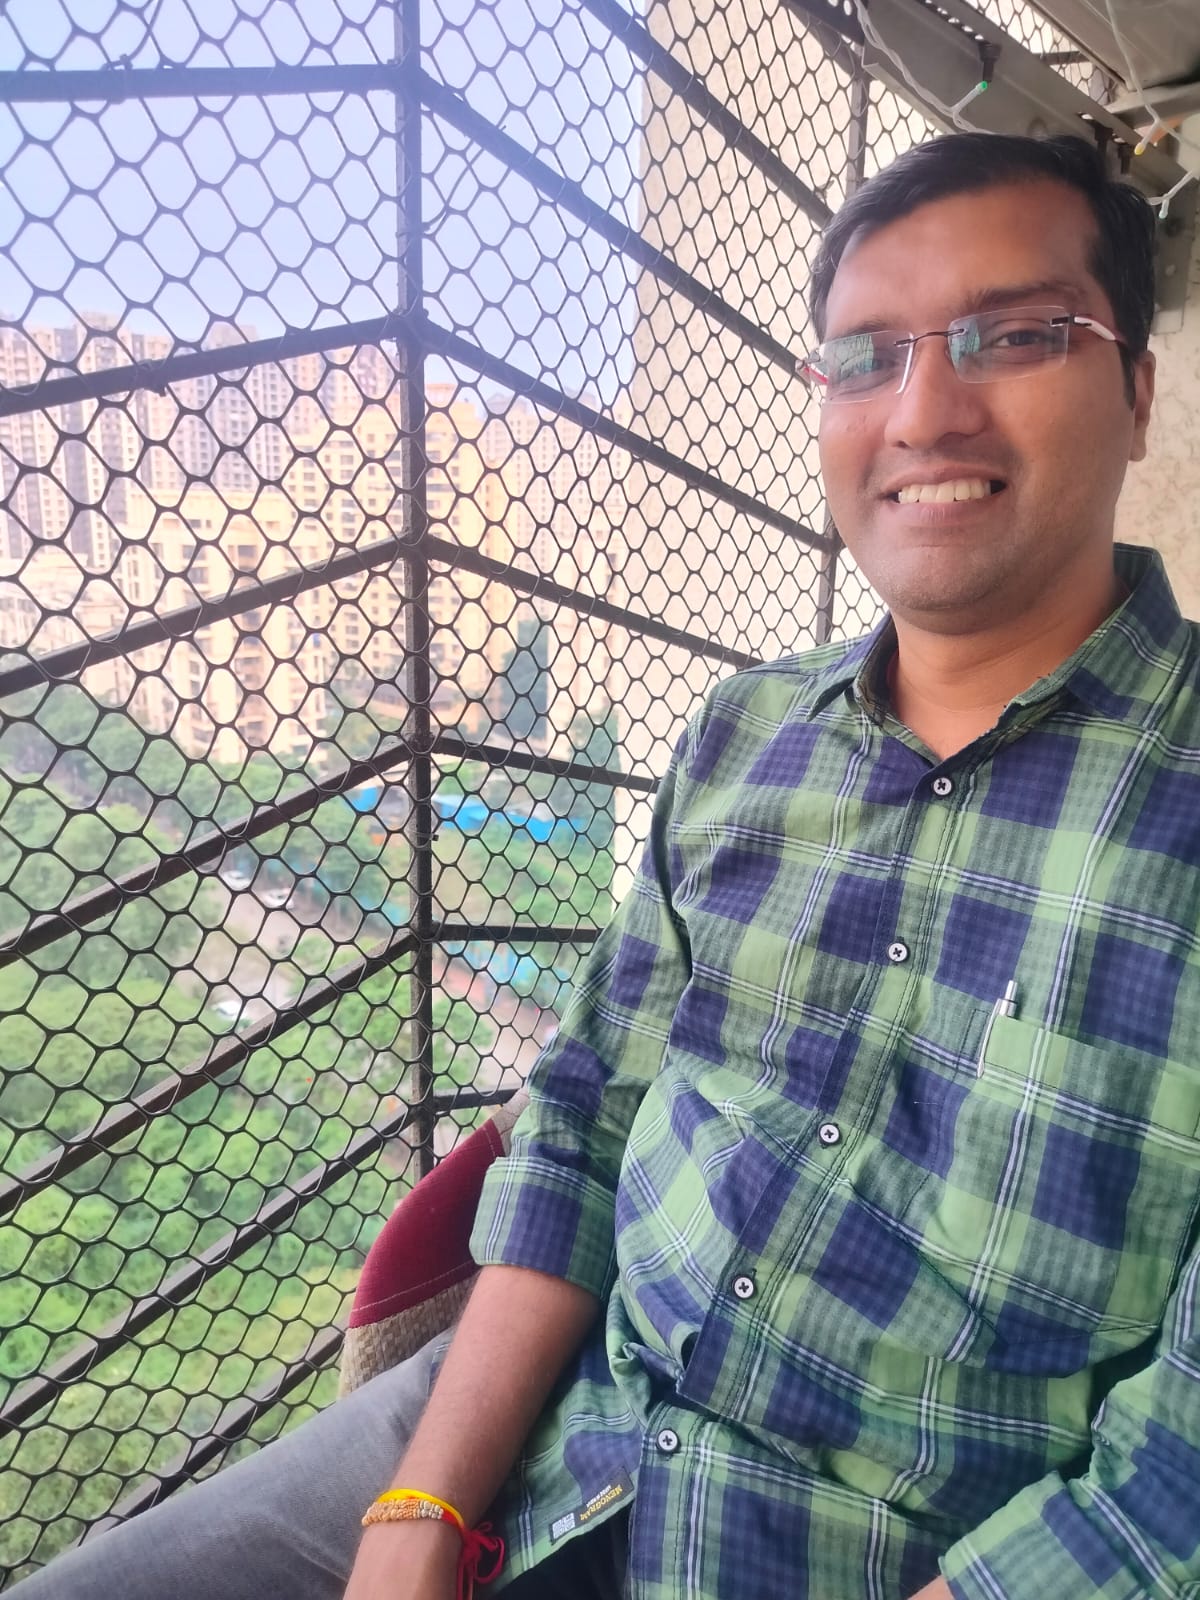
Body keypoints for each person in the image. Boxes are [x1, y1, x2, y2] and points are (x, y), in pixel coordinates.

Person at [14, 128, 1200, 1600]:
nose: (924, 412)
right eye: (866, 358)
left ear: (1137, 390)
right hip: (560, 1420)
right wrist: (420, 1508)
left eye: (1012, 336)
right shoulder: (743, 735)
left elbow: (1174, 1482)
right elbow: (584, 1112)